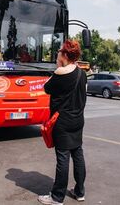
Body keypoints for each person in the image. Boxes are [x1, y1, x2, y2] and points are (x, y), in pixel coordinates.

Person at [38, 40, 87, 204]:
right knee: (78, 155)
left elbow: (46, 88)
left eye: (59, 51)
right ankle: (80, 192)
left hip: (62, 121)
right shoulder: (82, 73)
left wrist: (57, 68)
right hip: (78, 119)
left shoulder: (60, 72)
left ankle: (57, 197)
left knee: (63, 158)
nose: (57, 54)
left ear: (65, 55)